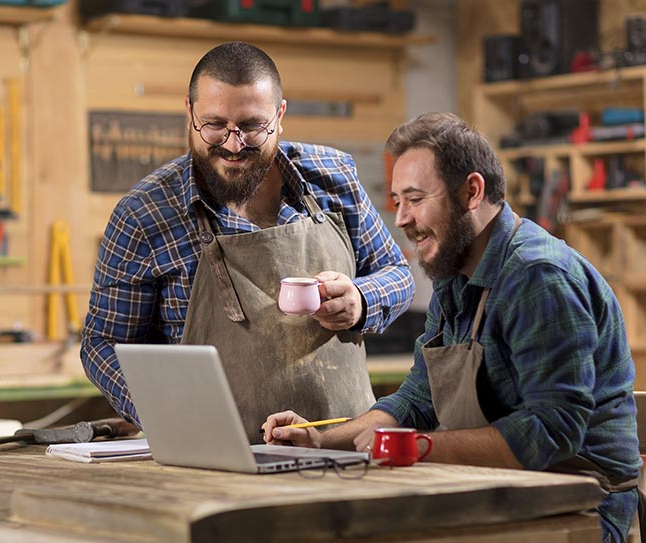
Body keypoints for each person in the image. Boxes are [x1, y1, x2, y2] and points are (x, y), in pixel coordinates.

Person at [262, 112, 646, 543]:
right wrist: (320, 442)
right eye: (396, 201)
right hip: (504, 489)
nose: (402, 219)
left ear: (472, 191)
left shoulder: (539, 277)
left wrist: (420, 447)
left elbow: (552, 430)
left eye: (415, 198)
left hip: (582, 501)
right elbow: (417, 401)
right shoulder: (455, 277)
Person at [81, 41, 414, 443]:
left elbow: (399, 276)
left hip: (340, 444)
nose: (234, 144)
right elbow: (103, 343)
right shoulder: (144, 215)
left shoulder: (333, 177)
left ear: (280, 115)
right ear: (189, 114)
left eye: (253, 126)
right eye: (215, 125)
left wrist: (361, 299)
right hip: (213, 453)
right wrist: (164, 410)